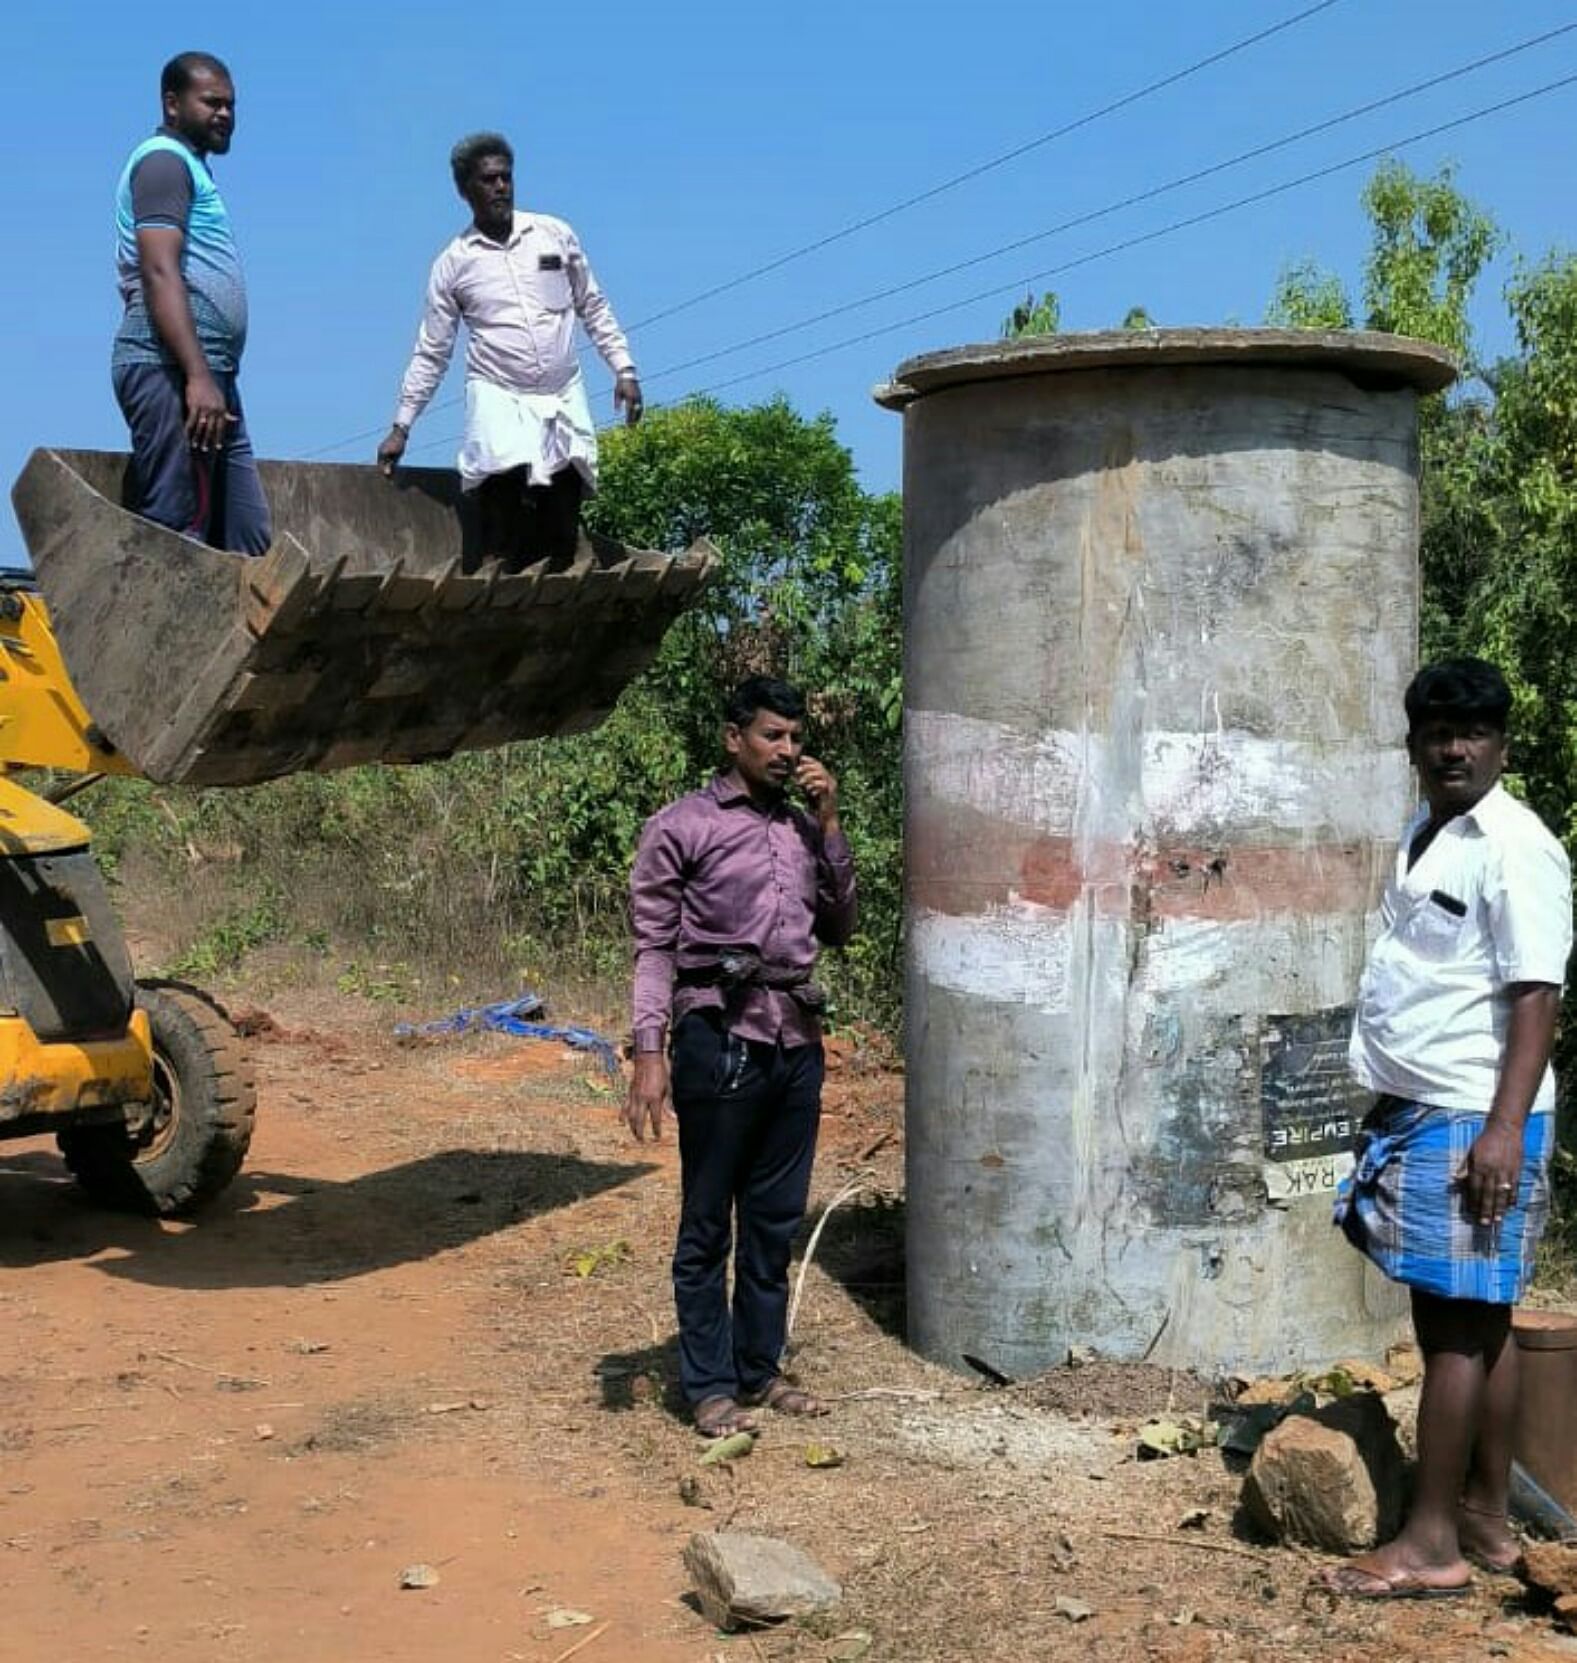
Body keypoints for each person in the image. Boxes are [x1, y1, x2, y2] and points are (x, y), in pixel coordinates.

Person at [1321, 658, 1571, 1600]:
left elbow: (1536, 992)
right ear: (1414, 743)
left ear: (1502, 743)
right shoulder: (1427, 832)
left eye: (1470, 732)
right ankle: (1483, 1518)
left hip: (1473, 1115)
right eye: (1435, 732)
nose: (1452, 747)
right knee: (1478, 1321)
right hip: (1433, 1108)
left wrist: (1502, 1129)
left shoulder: (1513, 845)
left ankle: (1430, 1544)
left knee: (1453, 1336)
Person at [625, 677, 857, 1438]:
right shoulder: (681, 826)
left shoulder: (799, 828)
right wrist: (649, 1052)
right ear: (733, 739)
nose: (789, 750)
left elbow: (843, 924)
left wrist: (828, 823)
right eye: (772, 735)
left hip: (794, 1036)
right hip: (717, 1036)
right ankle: (710, 1384)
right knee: (706, 1223)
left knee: (772, 1220)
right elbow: (653, 946)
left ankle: (759, 1369)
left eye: (795, 737)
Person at [377, 133, 642, 571]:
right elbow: (432, 352)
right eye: (489, 179)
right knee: (501, 487)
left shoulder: (554, 235)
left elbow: (592, 305)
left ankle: (560, 585)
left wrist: (624, 369)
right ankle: (498, 574)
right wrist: (402, 426)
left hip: (561, 391)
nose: (501, 186)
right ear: (465, 190)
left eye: (506, 177)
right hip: (498, 392)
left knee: (564, 505)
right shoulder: (454, 263)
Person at [111, 52, 271, 554]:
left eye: (230, 105)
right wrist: (197, 377)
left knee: (247, 534)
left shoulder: (193, 170)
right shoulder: (163, 162)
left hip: (208, 372)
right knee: (179, 529)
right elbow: (159, 271)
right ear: (172, 104)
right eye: (211, 103)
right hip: (169, 367)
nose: (224, 114)